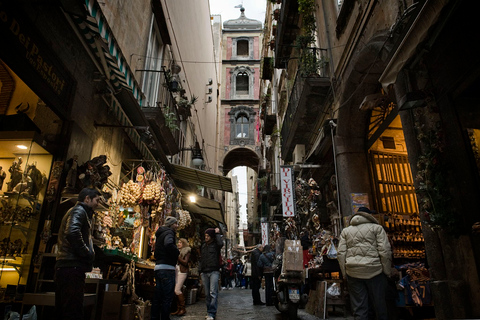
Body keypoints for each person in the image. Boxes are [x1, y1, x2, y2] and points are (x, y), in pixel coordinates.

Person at [337, 207, 392, 320]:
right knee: (379, 305)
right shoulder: (377, 228)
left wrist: (344, 273)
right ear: (369, 216)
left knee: (359, 308)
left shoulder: (346, 231)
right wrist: (387, 271)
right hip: (375, 270)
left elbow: (341, 254)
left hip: (353, 272)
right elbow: (385, 251)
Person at [55, 188, 100, 320]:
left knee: (65, 309)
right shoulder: (78, 211)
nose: (98, 203)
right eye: (97, 200)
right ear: (87, 199)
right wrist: (85, 253)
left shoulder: (80, 212)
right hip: (71, 267)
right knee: (72, 310)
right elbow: (72, 232)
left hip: (68, 266)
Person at [152, 216, 180, 320]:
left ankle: (154, 317)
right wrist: (176, 252)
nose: (177, 226)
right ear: (171, 224)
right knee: (167, 298)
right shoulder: (169, 233)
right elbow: (168, 244)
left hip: (158, 267)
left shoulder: (160, 233)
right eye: (175, 224)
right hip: (167, 268)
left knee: (157, 297)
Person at [199, 227, 224, 320]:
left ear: (211, 236)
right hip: (204, 271)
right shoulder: (203, 246)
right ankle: (209, 311)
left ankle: (212, 313)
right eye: (205, 235)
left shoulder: (216, 245)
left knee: (213, 292)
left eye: (208, 236)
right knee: (207, 294)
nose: (206, 237)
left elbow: (221, 243)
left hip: (214, 271)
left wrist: (217, 234)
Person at [171, 238, 191, 316]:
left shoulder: (186, 251)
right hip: (177, 271)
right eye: (178, 242)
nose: (178, 244)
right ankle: (178, 309)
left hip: (182, 272)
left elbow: (185, 262)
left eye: (180, 242)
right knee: (176, 290)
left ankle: (183, 308)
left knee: (177, 290)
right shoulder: (178, 251)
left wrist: (177, 257)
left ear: (184, 244)